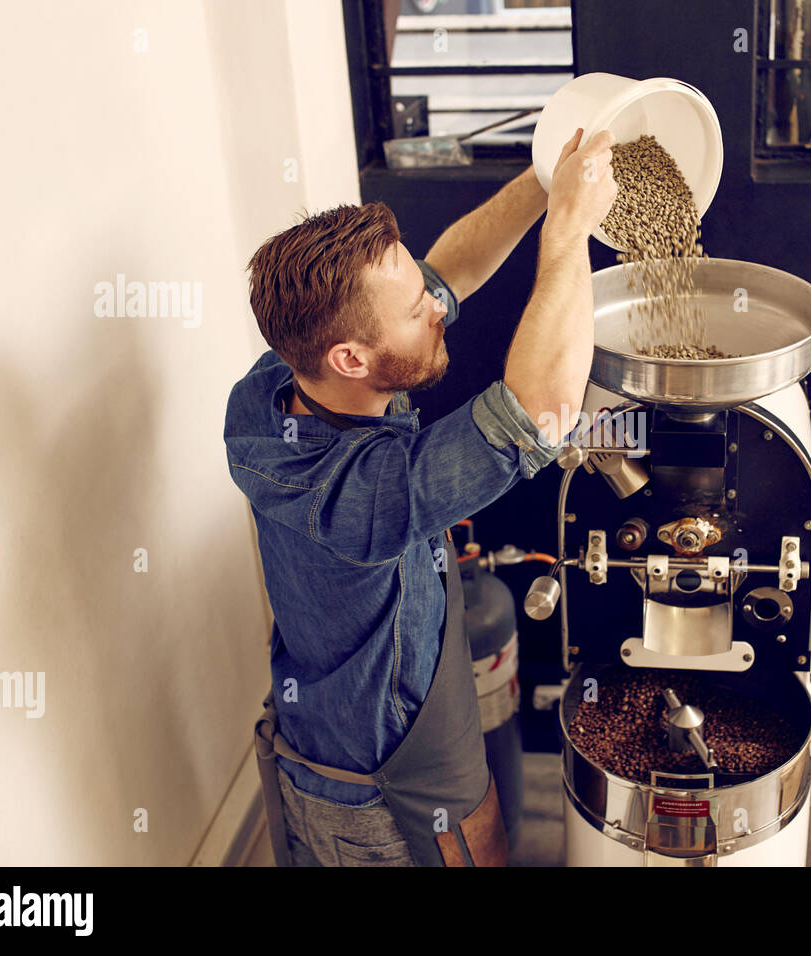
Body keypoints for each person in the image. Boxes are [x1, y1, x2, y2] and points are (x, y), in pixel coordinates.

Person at [223, 128, 617, 866]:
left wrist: (543, 180)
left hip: (330, 737)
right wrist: (571, 228)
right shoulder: (365, 496)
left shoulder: (272, 388)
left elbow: (451, 271)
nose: (436, 307)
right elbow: (543, 407)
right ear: (351, 357)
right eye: (415, 311)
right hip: (384, 796)